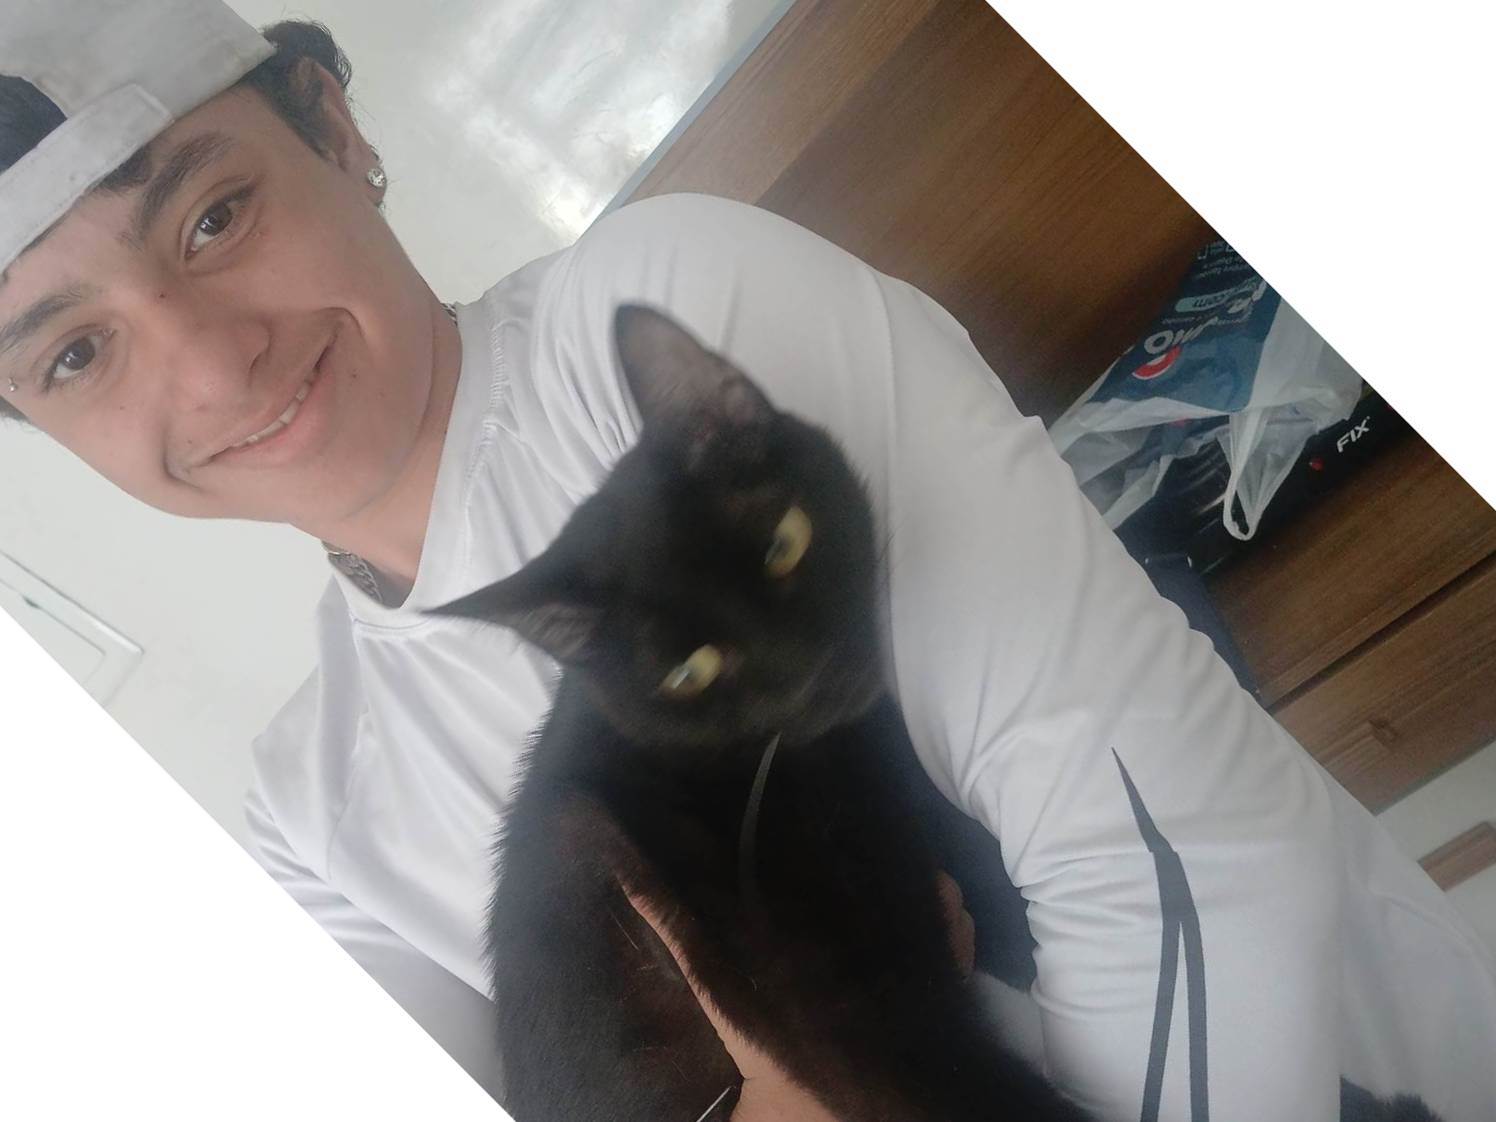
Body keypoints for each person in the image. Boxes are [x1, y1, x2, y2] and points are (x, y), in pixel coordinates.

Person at [3, 5, 1493, 1120]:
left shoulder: (646, 327)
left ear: (334, 128)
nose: (210, 362)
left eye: (214, 215)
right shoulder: (308, 819)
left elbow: (1180, 859)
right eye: (75, 353)